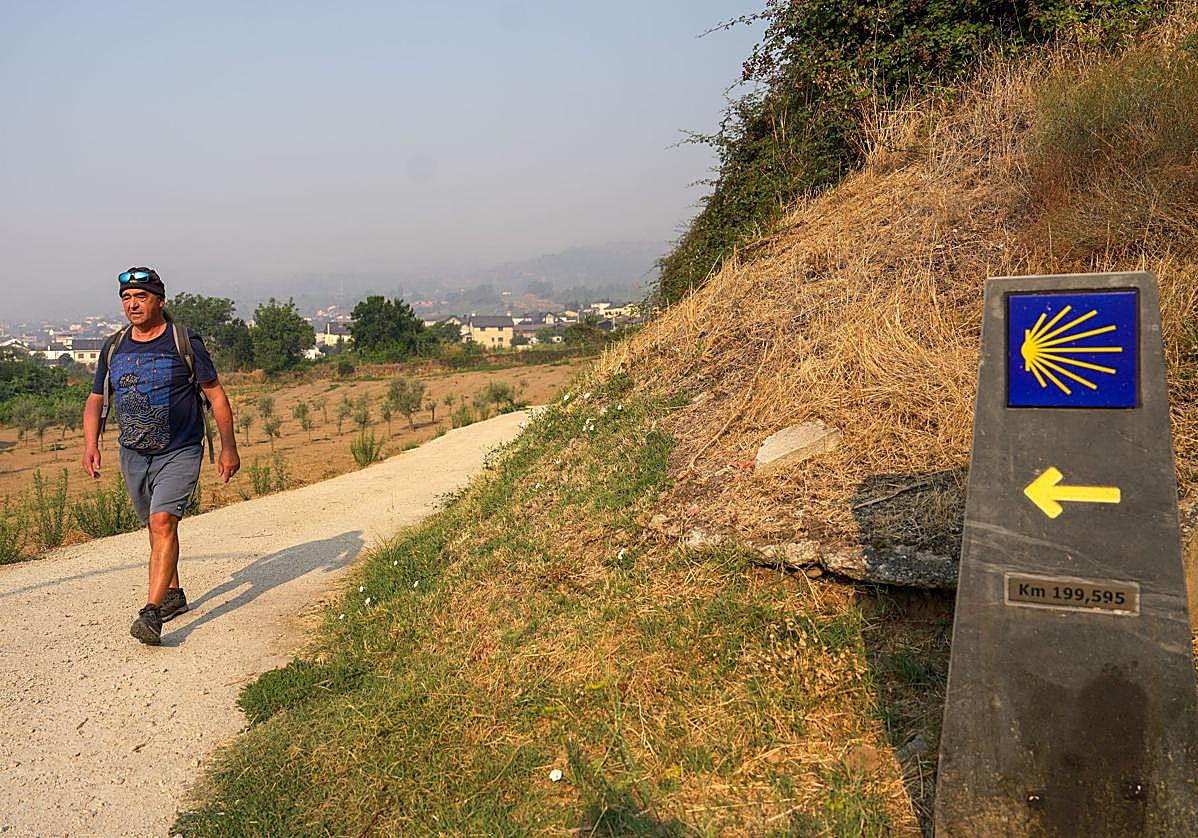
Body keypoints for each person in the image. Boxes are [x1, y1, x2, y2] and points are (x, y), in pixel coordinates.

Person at [81, 267, 240, 645]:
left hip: (180, 449)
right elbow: (96, 399)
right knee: (156, 527)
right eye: (127, 298)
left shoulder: (183, 341)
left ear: (160, 301)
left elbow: (216, 395)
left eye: (141, 297)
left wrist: (229, 447)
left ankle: (151, 613)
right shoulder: (114, 346)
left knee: (163, 521)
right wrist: (90, 444)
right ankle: (172, 594)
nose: (133, 305)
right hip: (133, 454)